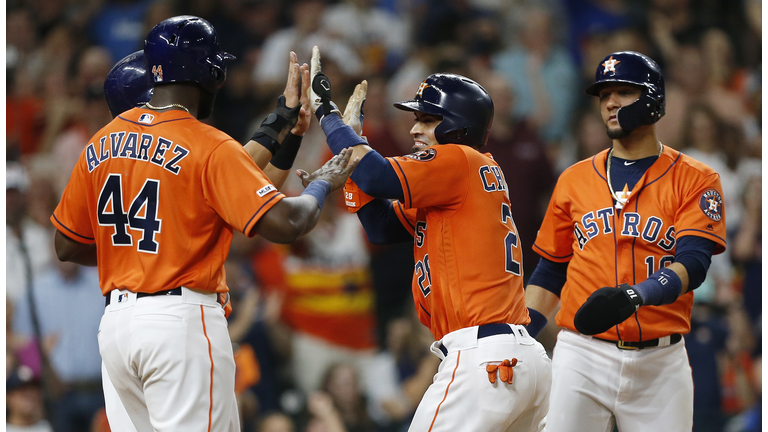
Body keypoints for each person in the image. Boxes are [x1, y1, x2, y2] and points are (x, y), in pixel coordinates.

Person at [50, 16, 357, 431]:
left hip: (117, 328)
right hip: (180, 323)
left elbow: (66, 246)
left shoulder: (100, 141)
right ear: (211, 72)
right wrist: (322, 183)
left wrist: (285, 122)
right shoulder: (206, 142)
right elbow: (285, 222)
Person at [307, 46, 552, 431]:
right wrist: (353, 166)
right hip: (516, 360)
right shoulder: (458, 181)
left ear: (456, 126)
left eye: (426, 119)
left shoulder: (458, 159)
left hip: (482, 356)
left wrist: (330, 117)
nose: (413, 129)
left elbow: (377, 176)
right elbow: (381, 227)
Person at [523, 51, 727, 432]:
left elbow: (694, 263)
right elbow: (550, 271)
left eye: (623, 92)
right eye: (603, 95)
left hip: (660, 363)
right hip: (581, 354)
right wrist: (519, 336)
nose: (610, 102)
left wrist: (637, 295)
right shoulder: (574, 179)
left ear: (653, 99)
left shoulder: (696, 178)